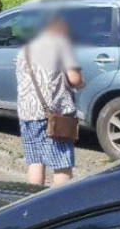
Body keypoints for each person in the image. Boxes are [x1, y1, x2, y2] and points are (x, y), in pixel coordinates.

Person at [15, 15, 85, 187]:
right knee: (61, 163)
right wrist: (82, 83)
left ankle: (33, 199)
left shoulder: (25, 50)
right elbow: (75, 79)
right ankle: (60, 205)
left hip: (27, 113)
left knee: (35, 160)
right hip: (55, 114)